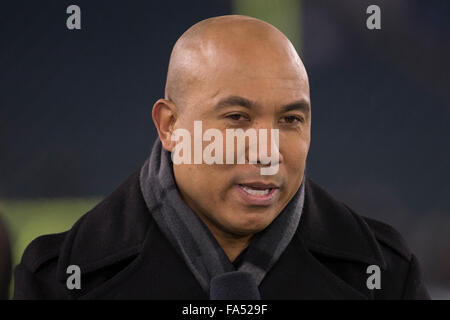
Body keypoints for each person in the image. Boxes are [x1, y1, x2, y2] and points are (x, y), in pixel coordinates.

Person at [13, 15, 430, 299]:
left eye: (290, 119)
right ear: (169, 126)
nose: (268, 152)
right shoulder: (58, 280)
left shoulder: (385, 275)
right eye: (237, 117)